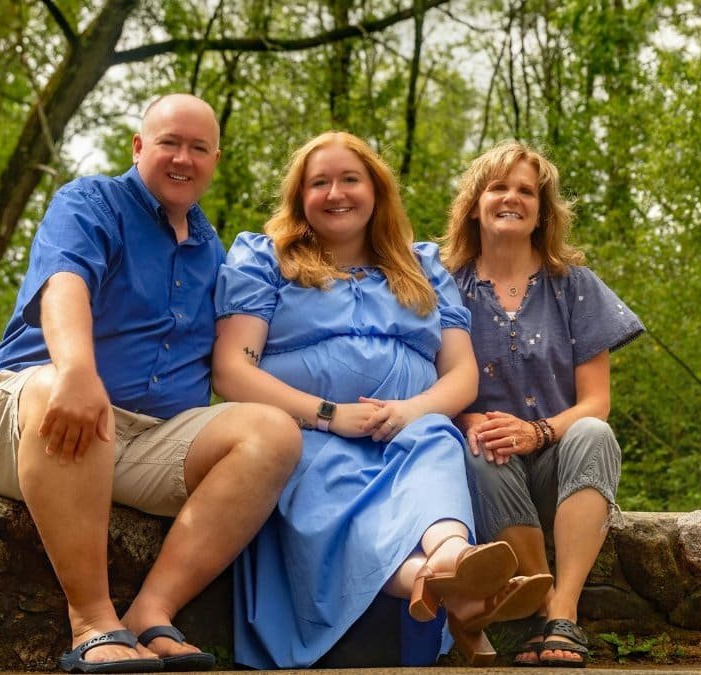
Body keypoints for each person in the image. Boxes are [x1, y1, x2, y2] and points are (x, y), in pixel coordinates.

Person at [0, 94, 302, 674]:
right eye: (169, 143)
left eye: (198, 148)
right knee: (64, 390)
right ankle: (92, 620)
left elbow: (238, 358)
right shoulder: (91, 202)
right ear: (139, 147)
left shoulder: (212, 251)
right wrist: (77, 371)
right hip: (23, 419)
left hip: (140, 442)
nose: (182, 159)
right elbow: (64, 286)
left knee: (273, 433)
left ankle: (151, 613)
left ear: (215, 159)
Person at [211, 131, 553, 669]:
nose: (335, 192)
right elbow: (232, 369)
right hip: (304, 432)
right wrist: (330, 415)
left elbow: (461, 375)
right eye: (318, 182)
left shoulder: (422, 267)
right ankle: (453, 591)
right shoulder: (266, 258)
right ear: (300, 197)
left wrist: (411, 410)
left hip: (402, 429)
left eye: (351, 179)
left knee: (437, 436)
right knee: (333, 482)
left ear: (377, 191)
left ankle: (448, 557)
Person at [441, 141, 645, 668]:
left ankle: (563, 611)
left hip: (560, 468)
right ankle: (540, 602)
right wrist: (476, 421)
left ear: (542, 211)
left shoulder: (575, 286)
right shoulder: (443, 287)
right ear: (474, 203)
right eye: (498, 187)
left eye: (526, 191)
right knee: (479, 445)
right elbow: (428, 386)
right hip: (486, 471)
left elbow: (596, 402)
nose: (512, 198)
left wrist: (536, 432)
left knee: (594, 434)